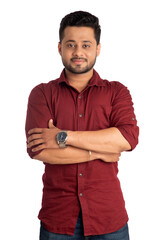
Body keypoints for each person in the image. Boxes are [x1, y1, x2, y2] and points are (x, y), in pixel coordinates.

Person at [25, 10, 139, 240]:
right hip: (58, 220)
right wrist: (98, 151)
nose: (78, 52)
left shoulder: (117, 92)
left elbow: (126, 139)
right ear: (60, 48)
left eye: (86, 45)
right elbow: (39, 150)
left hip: (108, 217)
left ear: (97, 48)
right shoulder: (42, 94)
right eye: (70, 45)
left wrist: (63, 137)